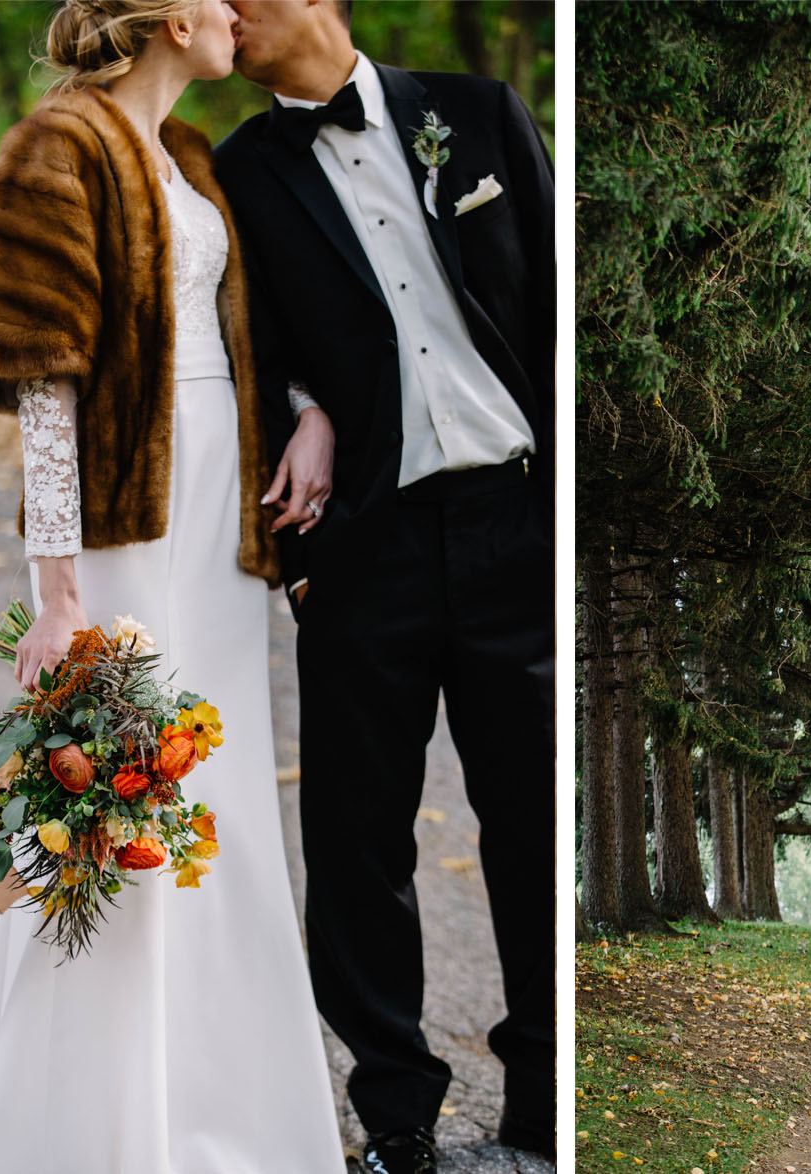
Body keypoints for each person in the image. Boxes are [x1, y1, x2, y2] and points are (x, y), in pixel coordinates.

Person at [0, 2, 345, 1170]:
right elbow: (43, 382)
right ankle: (92, 1121)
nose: (241, 13)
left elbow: (236, 342)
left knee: (217, 801)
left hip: (217, 517)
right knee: (119, 805)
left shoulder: (189, 158)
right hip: (123, 521)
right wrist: (57, 587)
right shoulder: (55, 145)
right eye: (220, 2)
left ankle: (219, 1112)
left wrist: (304, 413)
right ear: (174, 18)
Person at [211, 2, 556, 1168]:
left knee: (528, 818)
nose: (226, 13)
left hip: (515, 518)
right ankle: (395, 1111)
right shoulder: (237, 174)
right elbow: (237, 349)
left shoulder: (476, 114)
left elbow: (560, 305)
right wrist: (302, 413)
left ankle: (543, 1090)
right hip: (367, 544)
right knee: (356, 839)